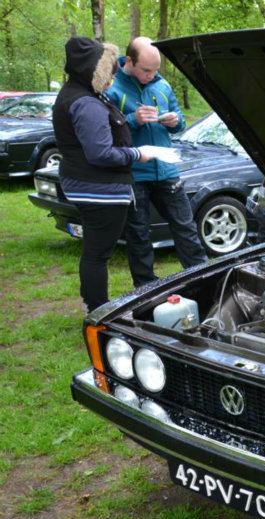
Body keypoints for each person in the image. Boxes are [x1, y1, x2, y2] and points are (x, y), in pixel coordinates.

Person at [52, 37, 153, 312]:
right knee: (98, 254)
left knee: (95, 251)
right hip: (98, 189)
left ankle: (96, 305)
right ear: (93, 71)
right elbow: (101, 153)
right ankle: (98, 309)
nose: (111, 77)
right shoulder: (86, 103)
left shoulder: (76, 93)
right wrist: (137, 154)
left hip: (88, 185)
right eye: (107, 71)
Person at [106, 37, 207, 288]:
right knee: (139, 235)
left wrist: (176, 121)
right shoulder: (112, 87)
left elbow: (180, 120)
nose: (151, 75)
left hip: (166, 169)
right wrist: (133, 119)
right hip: (134, 173)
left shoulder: (162, 85)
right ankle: (146, 289)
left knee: (185, 227)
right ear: (130, 61)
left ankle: (203, 279)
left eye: (155, 70)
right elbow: (106, 132)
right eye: (146, 70)